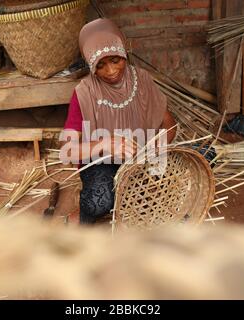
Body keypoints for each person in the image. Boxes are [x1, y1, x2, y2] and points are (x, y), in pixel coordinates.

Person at [61, 18, 177, 224]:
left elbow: (169, 124)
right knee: (99, 201)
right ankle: (87, 213)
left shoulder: (142, 79)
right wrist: (104, 144)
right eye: (101, 65)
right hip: (100, 163)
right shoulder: (84, 92)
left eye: (116, 60)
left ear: (125, 52)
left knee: (203, 158)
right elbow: (67, 151)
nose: (111, 71)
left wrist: (157, 150)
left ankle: (127, 198)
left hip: (140, 158)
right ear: (90, 64)